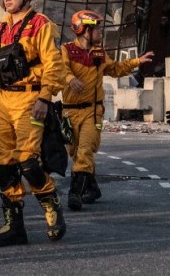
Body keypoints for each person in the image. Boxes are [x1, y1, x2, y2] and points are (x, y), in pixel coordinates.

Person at [0, 0, 71, 246]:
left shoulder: (40, 25)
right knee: (3, 164)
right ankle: (14, 225)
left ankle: (51, 204)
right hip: (4, 101)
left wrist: (44, 97)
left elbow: (54, 65)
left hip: (31, 100)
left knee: (28, 160)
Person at [60, 10, 154, 209]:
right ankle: (92, 188)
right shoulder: (66, 50)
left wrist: (137, 61)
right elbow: (60, 70)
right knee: (76, 154)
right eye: (96, 29)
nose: (100, 33)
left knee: (85, 151)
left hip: (92, 112)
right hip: (68, 112)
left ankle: (74, 194)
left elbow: (116, 69)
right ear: (84, 30)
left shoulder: (100, 54)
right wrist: (70, 79)